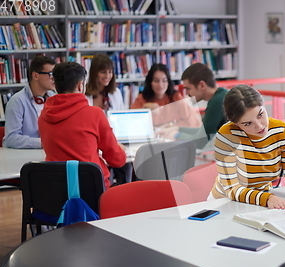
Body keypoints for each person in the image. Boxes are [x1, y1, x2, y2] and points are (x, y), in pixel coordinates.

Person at [209, 85, 285, 209]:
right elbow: (232, 189)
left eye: (260, 114)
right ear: (236, 124)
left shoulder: (283, 132)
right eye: (247, 123)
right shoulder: (225, 136)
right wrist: (267, 199)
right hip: (224, 203)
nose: (259, 126)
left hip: (261, 201)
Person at [38, 61, 126, 189]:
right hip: (93, 190)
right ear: (80, 86)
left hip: (56, 191)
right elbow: (116, 160)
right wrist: (121, 151)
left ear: (55, 85)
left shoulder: (43, 117)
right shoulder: (95, 114)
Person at [156, 63, 228, 149]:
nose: (186, 93)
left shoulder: (216, 102)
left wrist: (175, 135)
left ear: (202, 85)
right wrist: (177, 128)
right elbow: (202, 132)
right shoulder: (222, 95)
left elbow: (200, 141)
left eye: (188, 88)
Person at [85, 53, 131, 185]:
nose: (107, 76)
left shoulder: (115, 93)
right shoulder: (85, 94)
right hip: (93, 143)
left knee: (127, 165)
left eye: (110, 72)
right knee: (103, 172)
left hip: (113, 141)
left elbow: (121, 118)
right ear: (94, 73)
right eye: (103, 72)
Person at [3, 55, 56, 148]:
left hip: (49, 152)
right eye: (50, 74)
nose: (54, 78)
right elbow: (11, 139)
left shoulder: (54, 97)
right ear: (35, 75)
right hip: (24, 156)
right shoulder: (17, 101)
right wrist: (45, 142)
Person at [130, 63, 201, 128]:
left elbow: (194, 122)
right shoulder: (142, 98)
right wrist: (145, 111)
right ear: (150, 82)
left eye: (164, 81)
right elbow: (131, 123)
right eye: (156, 81)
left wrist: (172, 126)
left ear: (168, 82)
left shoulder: (175, 97)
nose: (160, 85)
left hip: (171, 136)